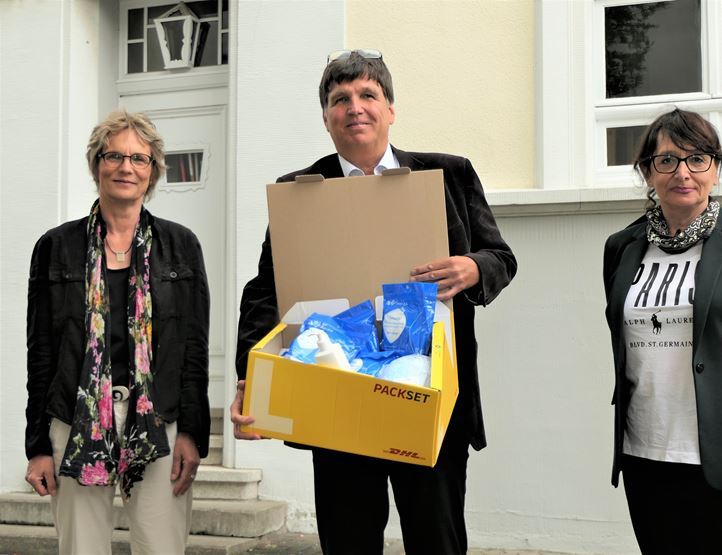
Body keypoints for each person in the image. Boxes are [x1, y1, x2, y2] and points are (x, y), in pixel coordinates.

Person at [230, 49, 517, 554]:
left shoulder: (449, 174)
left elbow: (500, 256)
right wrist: (251, 374)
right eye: (341, 99)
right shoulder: (300, 193)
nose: (355, 107)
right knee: (348, 541)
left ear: (390, 109)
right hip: (335, 398)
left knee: (437, 539)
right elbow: (265, 290)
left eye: (368, 95)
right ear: (326, 117)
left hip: (429, 399)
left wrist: (474, 267)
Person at [603, 108, 722, 554]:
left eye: (698, 159)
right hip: (646, 454)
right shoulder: (621, 247)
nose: (683, 172)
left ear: (716, 168)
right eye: (667, 160)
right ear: (647, 172)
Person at [25, 110, 211, 554]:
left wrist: (193, 432)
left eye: (139, 159)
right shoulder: (56, 246)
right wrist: (37, 445)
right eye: (114, 156)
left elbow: (194, 348)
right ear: (96, 165)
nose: (126, 167)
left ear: (152, 172)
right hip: (75, 421)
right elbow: (41, 352)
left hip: (158, 421)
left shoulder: (181, 245)